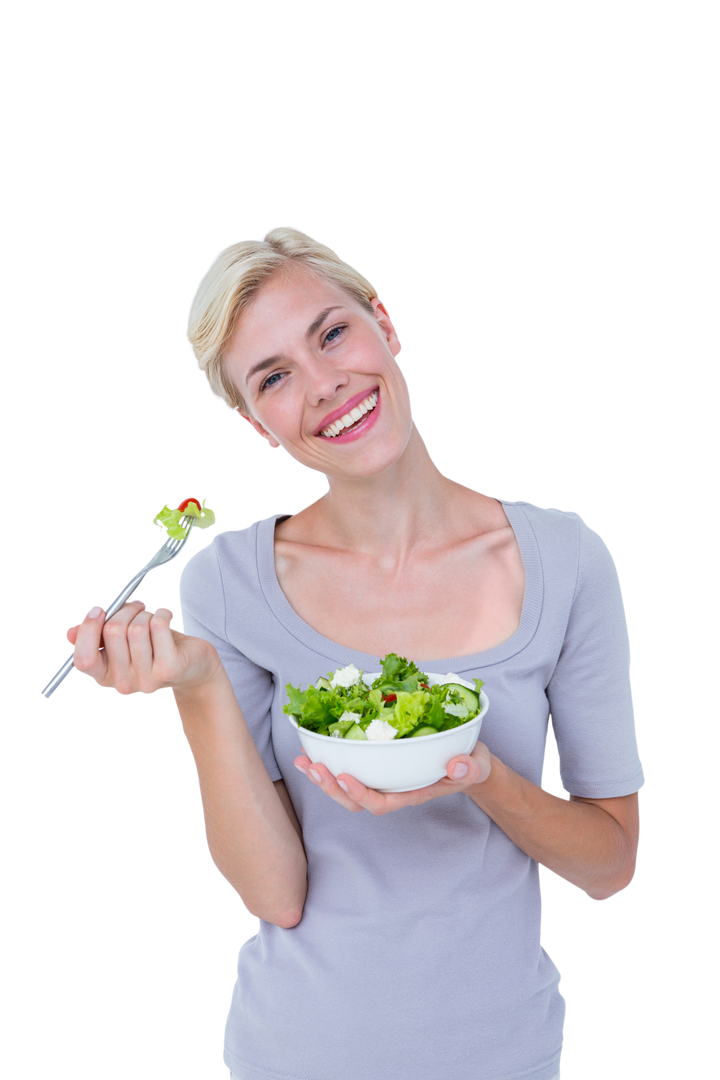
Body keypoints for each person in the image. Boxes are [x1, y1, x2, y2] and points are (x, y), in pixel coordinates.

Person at [64, 223, 646, 1080]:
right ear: (259, 427)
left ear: (385, 324)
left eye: (332, 333)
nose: (326, 384)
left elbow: (611, 868)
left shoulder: (567, 557)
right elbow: (275, 894)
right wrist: (196, 686)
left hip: (506, 1058)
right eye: (273, 378)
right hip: (291, 1056)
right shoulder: (228, 578)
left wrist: (478, 773)